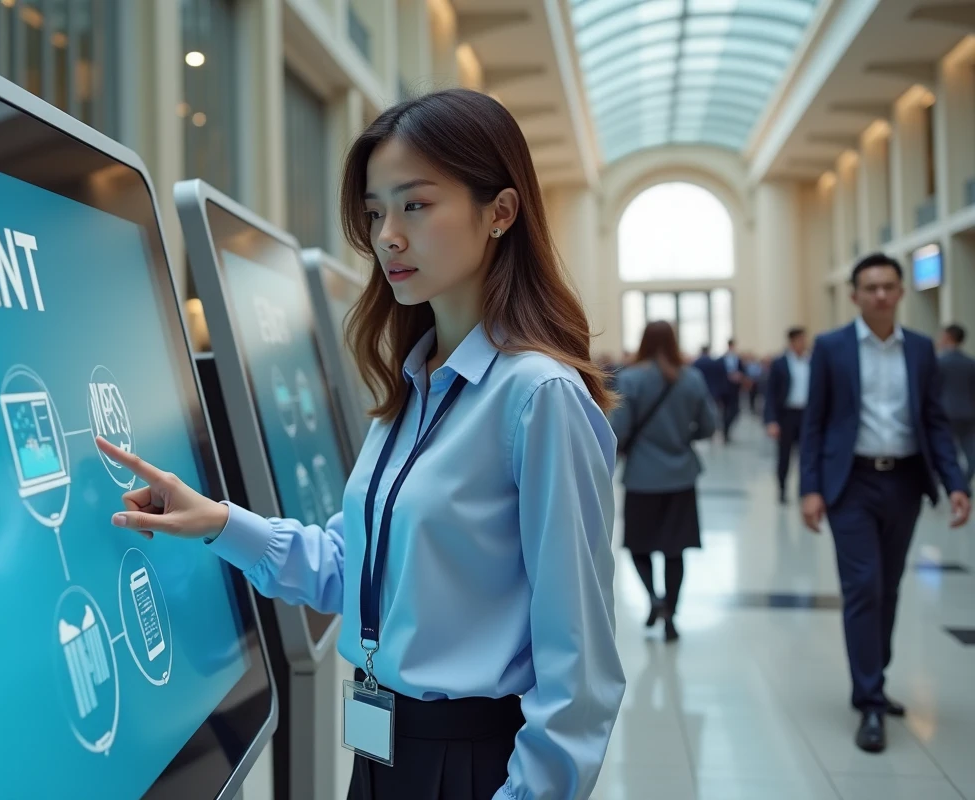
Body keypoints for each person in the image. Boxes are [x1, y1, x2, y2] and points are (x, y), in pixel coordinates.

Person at [96, 89, 625, 800]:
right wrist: (217, 521)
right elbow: (350, 570)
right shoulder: (413, 387)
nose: (388, 237)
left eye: (416, 205)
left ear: (500, 211)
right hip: (380, 749)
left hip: (472, 766)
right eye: (375, 213)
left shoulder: (537, 397)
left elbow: (579, 670)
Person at [800, 252, 971, 754]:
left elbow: (934, 421)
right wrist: (810, 488)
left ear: (900, 292)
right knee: (864, 587)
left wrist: (956, 482)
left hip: (904, 482)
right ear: (854, 295)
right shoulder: (831, 348)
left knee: (889, 587)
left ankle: (873, 677)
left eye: (888, 286)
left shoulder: (919, 350)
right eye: (870, 287)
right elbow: (814, 422)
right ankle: (870, 701)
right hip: (850, 483)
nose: (879, 295)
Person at [610, 321, 717, 643]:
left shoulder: (631, 379)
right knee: (675, 549)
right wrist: (682, 437)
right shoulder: (692, 378)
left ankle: (654, 599)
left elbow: (619, 430)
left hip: (642, 477)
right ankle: (671, 614)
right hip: (681, 477)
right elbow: (709, 426)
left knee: (637, 545)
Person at [765, 327, 811, 504]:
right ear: (792, 341)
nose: (804, 343)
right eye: (801, 340)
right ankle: (782, 488)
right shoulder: (780, 363)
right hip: (786, 415)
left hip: (806, 415)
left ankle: (804, 489)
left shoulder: (811, 361)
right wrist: (771, 420)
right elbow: (770, 393)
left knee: (806, 455)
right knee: (785, 455)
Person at [937, 323, 975, 487]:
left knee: (946, 452)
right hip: (968, 414)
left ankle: (953, 484)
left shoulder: (939, 362)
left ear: (948, 337)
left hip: (945, 413)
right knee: (970, 453)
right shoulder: (970, 363)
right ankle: (963, 483)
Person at [717, 339, 746, 442]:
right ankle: (725, 431)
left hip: (735, 390)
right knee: (725, 411)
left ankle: (726, 428)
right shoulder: (721, 360)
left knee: (735, 411)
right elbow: (718, 374)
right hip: (724, 390)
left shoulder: (738, 359)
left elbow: (743, 371)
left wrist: (739, 376)